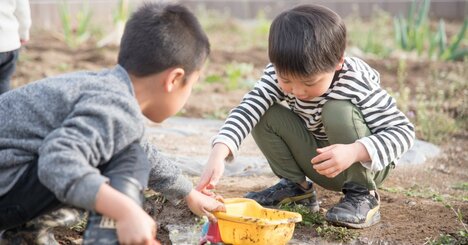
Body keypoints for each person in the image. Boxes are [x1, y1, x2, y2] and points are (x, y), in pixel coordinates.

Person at [0, 2, 224, 244]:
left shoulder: (109, 89)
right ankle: (105, 237)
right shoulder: (116, 107)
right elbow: (57, 161)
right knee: (128, 158)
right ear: (174, 79)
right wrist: (126, 211)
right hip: (6, 186)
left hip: (11, 177)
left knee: (129, 152)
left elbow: (143, 151)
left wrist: (188, 193)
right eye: (191, 85)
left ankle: (28, 232)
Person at [197, 4, 415, 229]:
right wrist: (219, 152)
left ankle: (363, 195)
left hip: (365, 164)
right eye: (287, 81)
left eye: (310, 83)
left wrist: (354, 151)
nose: (298, 91)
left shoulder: (356, 82)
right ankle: (297, 189)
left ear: (338, 61)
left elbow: (404, 132)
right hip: (322, 161)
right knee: (261, 112)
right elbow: (247, 108)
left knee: (337, 110)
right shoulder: (280, 71)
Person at [0, 0, 31, 95]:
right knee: (4, 80)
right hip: (10, 44)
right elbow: (23, 13)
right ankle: (4, 107)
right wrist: (23, 34)